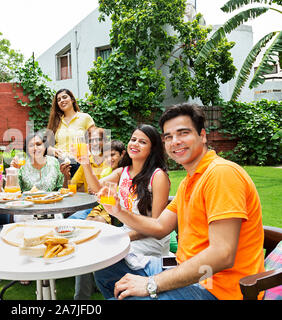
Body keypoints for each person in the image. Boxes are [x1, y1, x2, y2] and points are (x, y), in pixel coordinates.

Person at [95, 103, 265, 300]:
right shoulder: (189, 182)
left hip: (216, 288)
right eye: (168, 137)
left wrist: (152, 283)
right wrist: (117, 210)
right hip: (185, 268)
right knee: (106, 267)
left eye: (183, 133)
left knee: (131, 295)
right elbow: (160, 226)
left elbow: (222, 254)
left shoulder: (221, 174)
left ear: (202, 135)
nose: (175, 141)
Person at [71, 124, 171, 299]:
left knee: (104, 258)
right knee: (91, 249)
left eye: (142, 142)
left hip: (149, 239)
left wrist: (123, 236)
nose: (135, 144)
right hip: (125, 232)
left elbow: (157, 227)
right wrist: (85, 163)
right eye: (133, 139)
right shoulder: (122, 172)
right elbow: (96, 188)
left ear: (152, 148)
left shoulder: (158, 176)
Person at [46, 88, 95, 176]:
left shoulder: (85, 118)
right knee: (63, 189)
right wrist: (52, 149)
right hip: (60, 163)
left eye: (64, 97)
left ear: (72, 99)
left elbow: (96, 140)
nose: (62, 101)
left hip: (80, 163)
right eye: (59, 100)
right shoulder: (56, 121)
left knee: (79, 189)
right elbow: (47, 145)